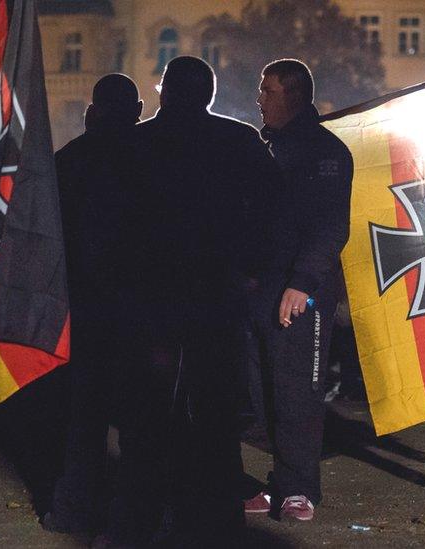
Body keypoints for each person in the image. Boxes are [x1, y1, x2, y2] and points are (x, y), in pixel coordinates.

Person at [104, 56, 276, 546]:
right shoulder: (239, 141)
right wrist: (250, 271)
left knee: (146, 413)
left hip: (148, 296)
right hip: (216, 295)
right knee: (216, 412)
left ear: (163, 92)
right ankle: (216, 517)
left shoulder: (133, 145)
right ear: (209, 96)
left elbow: (111, 221)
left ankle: (140, 515)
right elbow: (271, 211)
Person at [243, 58, 353, 522]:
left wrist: (302, 283)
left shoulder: (326, 152)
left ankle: (300, 488)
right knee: (261, 390)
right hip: (257, 288)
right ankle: (279, 481)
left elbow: (330, 227)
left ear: (293, 95)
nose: (260, 99)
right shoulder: (264, 148)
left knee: (297, 394)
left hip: (300, 293)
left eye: (268, 91)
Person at [42, 74, 143, 534]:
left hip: (83, 304)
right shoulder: (155, 158)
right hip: (142, 306)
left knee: (84, 416)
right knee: (144, 417)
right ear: (138, 109)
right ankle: (137, 510)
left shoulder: (70, 161)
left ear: (94, 110)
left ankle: (74, 507)